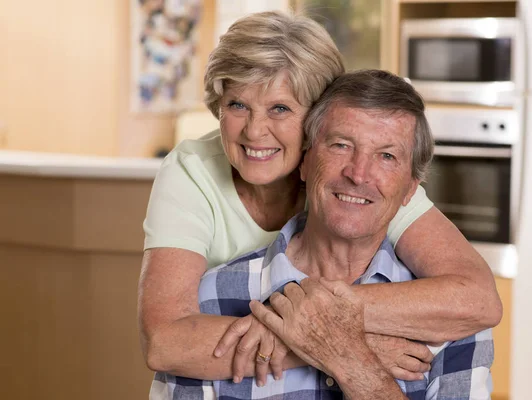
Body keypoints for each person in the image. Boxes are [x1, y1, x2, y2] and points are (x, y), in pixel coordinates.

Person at [139, 10, 501, 386]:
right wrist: (335, 345)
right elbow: (165, 343)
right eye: (237, 105)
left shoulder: (353, 182)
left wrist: (322, 319)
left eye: (279, 108)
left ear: (317, 118)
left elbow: (476, 297)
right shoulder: (192, 171)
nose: (255, 130)